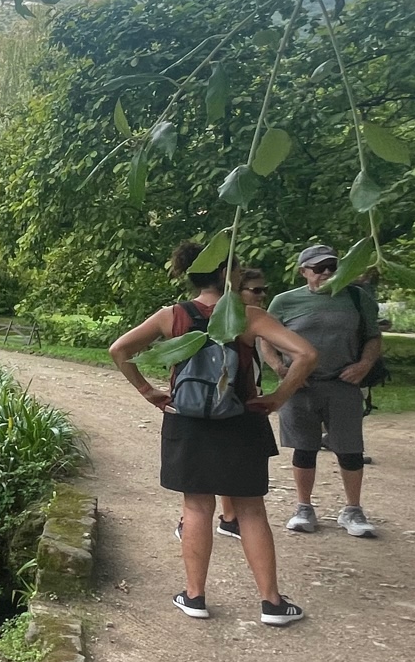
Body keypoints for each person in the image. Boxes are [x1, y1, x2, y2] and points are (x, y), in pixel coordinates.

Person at [111, 243, 318, 624]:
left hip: (186, 421)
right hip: (241, 420)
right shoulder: (248, 316)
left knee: (196, 507)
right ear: (230, 274)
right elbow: (306, 354)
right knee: (251, 511)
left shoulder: (171, 317)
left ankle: (195, 597)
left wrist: (149, 392)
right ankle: (271, 603)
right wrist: (277, 397)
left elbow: (119, 350)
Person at [268, 243, 383, 538]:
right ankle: (304, 507)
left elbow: (373, 336)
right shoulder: (284, 302)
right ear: (303, 272)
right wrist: (283, 370)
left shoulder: (357, 298)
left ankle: (353, 509)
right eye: (319, 268)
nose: (327, 273)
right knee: (304, 448)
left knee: (350, 449)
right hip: (301, 386)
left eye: (333, 266)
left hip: (342, 384)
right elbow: (265, 339)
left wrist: (365, 364)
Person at [212, 267, 277, 540]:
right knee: (230, 466)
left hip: (235, 406)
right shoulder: (236, 322)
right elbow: (307, 355)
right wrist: (280, 397)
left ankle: (229, 517)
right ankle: (227, 517)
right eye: (256, 290)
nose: (262, 296)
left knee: (224, 464)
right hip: (236, 408)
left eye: (264, 289)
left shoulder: (245, 321)